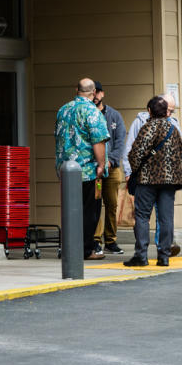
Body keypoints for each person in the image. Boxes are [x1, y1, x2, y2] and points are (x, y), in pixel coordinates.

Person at [122, 96, 182, 267]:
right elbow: (181, 151)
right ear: (166, 112)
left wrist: (135, 170)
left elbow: (135, 153)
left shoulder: (147, 128)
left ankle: (141, 255)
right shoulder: (173, 129)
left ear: (149, 111)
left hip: (148, 180)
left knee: (142, 216)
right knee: (166, 218)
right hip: (169, 181)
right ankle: (164, 256)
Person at [55, 78, 111, 261]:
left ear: (76, 89)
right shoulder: (92, 112)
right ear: (93, 92)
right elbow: (98, 141)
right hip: (87, 171)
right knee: (89, 212)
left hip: (65, 169)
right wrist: (101, 165)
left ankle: (68, 248)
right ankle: (86, 249)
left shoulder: (63, 110)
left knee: (70, 211)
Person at [91, 81, 127, 255]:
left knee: (112, 204)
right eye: (93, 92)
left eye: (98, 92)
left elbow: (120, 141)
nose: (96, 95)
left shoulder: (114, 115)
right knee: (96, 203)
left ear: (102, 94)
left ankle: (111, 240)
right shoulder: (88, 114)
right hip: (95, 169)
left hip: (112, 169)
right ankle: (96, 240)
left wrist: (111, 160)